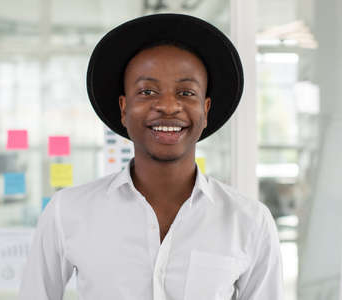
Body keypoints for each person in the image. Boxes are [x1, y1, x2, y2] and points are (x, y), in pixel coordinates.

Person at [19, 13, 283, 300]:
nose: (168, 106)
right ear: (123, 108)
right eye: (147, 91)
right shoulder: (68, 212)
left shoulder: (249, 221)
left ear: (205, 109)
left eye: (186, 92)